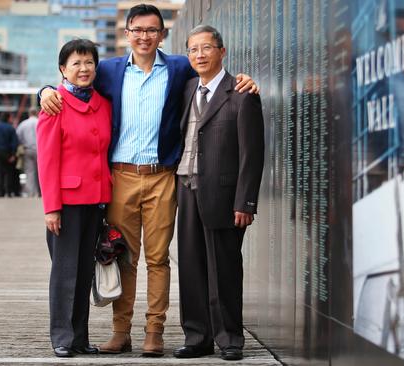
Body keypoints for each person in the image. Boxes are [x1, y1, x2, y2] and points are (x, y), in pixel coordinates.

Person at [40, 4, 258, 357]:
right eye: (137, 30)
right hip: (120, 176)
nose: (144, 36)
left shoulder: (178, 66)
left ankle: (154, 331)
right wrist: (45, 90)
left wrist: (244, 80)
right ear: (127, 34)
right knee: (122, 257)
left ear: (162, 35)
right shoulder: (108, 70)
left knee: (158, 259)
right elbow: (72, 79)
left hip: (162, 177)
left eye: (152, 30)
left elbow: (214, 69)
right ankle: (120, 331)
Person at [173, 25, 264, 361]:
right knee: (191, 267)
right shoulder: (186, 89)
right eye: (194, 49)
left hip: (224, 196)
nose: (200, 55)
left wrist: (246, 201)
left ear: (222, 51)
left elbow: (252, 154)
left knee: (223, 268)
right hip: (186, 189)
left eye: (207, 48)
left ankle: (229, 339)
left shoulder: (241, 93)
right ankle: (197, 337)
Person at [37, 39, 112, 358]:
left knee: (84, 273)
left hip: (97, 201)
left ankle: (80, 336)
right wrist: (51, 207)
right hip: (66, 204)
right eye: (76, 63)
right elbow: (46, 160)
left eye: (89, 62)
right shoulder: (55, 104)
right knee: (65, 273)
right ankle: (62, 337)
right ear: (62, 69)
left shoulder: (104, 104)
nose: (84, 69)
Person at [16, 107, 41, 197]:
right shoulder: (40, 121)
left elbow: (18, 137)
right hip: (40, 150)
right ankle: (40, 193)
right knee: (41, 172)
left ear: (29, 114)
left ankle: (31, 193)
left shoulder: (23, 124)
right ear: (37, 113)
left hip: (27, 150)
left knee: (30, 172)